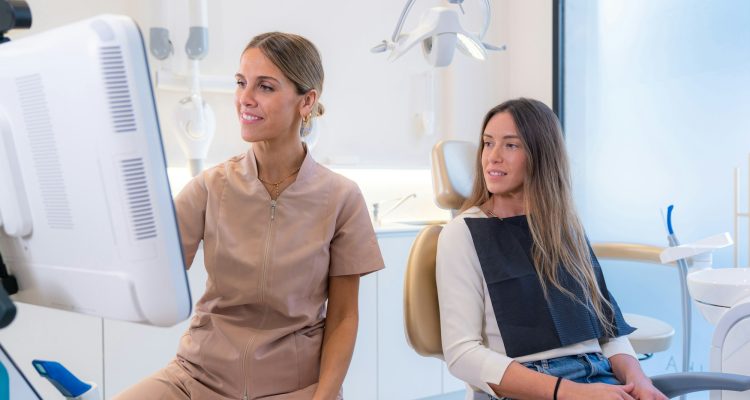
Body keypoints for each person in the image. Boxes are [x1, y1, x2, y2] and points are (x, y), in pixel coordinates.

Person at [115, 32, 384, 400]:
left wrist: (324, 396)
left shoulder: (340, 198)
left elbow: (342, 318)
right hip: (197, 379)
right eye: (241, 83)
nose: (245, 98)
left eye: (265, 87)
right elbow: (153, 266)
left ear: (306, 101)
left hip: (293, 387)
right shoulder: (212, 186)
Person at [435, 98, 667, 400]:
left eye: (511, 145)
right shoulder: (463, 233)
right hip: (533, 385)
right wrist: (571, 393)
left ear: (540, 154)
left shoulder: (565, 229)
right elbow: (462, 354)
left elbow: (607, 331)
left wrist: (640, 382)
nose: (493, 156)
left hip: (601, 378)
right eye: (488, 143)